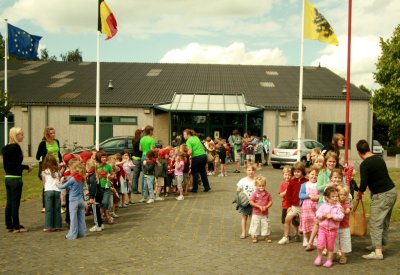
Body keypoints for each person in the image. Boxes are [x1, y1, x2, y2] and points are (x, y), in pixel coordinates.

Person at [356, 139, 398, 260]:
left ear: (359, 152)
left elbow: (364, 183)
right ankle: (379, 245)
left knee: (375, 223)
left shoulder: (365, 164)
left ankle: (377, 252)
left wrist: (359, 193)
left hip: (382, 195)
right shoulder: (379, 159)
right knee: (384, 221)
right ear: (368, 148)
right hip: (392, 192)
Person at [2, 127, 34, 233]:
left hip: (8, 178)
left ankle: (9, 224)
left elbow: (8, 165)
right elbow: (16, 165)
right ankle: (16, 226)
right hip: (15, 179)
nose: (23, 136)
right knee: (15, 203)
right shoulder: (16, 148)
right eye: (21, 134)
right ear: (15, 136)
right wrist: (27, 167)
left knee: (9, 202)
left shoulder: (5, 148)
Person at [314, 186, 344, 268]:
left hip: (332, 230)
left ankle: (329, 260)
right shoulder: (323, 206)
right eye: (333, 197)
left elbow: (341, 216)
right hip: (322, 229)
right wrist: (323, 215)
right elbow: (317, 214)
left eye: (336, 196)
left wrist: (333, 216)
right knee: (320, 244)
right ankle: (319, 257)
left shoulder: (338, 207)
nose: (335, 198)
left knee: (330, 246)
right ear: (327, 198)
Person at [278, 162, 307, 245]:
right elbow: (288, 195)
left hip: (303, 207)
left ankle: (306, 238)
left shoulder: (306, 181)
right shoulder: (292, 182)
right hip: (293, 206)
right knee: (287, 220)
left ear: (302, 172)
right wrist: (289, 206)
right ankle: (286, 237)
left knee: (305, 222)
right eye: (295, 172)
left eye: (298, 171)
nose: (296, 173)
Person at [57, 159, 87, 240]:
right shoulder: (81, 177)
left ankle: (72, 235)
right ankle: (82, 232)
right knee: (81, 218)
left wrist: (58, 183)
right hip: (80, 200)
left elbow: (62, 187)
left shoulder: (73, 178)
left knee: (73, 218)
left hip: (73, 201)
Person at [36, 126, 63, 213]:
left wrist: (62, 161)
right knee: (47, 186)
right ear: (47, 134)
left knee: (57, 185)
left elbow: (58, 153)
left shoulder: (57, 141)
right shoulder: (43, 143)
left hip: (57, 166)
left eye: (54, 133)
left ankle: (58, 206)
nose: (53, 135)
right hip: (47, 167)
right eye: (51, 133)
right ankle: (45, 206)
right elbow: (37, 156)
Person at [299, 166, 319, 247]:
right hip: (306, 207)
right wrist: (309, 196)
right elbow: (300, 195)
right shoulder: (304, 185)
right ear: (308, 175)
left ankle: (314, 238)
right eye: (312, 174)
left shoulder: (319, 185)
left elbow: (322, 194)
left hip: (316, 206)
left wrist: (318, 197)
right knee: (306, 222)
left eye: (316, 175)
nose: (314, 176)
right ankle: (305, 238)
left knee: (316, 222)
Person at [248, 175, 273, 243]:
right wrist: (258, 206)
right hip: (256, 213)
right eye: (260, 186)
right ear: (256, 185)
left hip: (265, 213)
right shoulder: (255, 193)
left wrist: (266, 206)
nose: (261, 187)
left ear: (265, 185)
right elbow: (250, 202)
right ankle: (255, 236)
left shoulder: (267, 193)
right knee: (256, 225)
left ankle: (266, 236)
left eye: (263, 185)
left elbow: (271, 201)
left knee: (265, 225)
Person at [41, 154, 62, 232]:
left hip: (48, 190)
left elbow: (44, 182)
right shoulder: (57, 170)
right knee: (57, 209)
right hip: (57, 190)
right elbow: (59, 179)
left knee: (49, 210)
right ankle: (58, 226)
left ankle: (48, 226)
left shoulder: (44, 171)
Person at [236, 164, 257, 239]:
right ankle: (243, 232)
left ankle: (252, 232)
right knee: (244, 217)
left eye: (252, 170)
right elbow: (238, 189)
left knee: (252, 218)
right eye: (249, 170)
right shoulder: (243, 180)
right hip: (245, 203)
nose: (251, 172)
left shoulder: (256, 180)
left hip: (254, 202)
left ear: (254, 171)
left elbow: (260, 188)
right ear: (246, 171)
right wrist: (240, 194)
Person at [335, 184, 352, 264]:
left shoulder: (346, 203)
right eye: (340, 195)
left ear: (347, 195)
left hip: (344, 226)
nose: (342, 196)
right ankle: (333, 254)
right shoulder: (335, 202)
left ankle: (343, 256)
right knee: (335, 241)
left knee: (345, 241)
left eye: (344, 195)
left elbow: (348, 210)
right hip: (335, 226)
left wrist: (344, 211)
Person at [131, 129, 143, 194]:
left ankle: (133, 189)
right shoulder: (139, 141)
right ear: (139, 134)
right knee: (136, 175)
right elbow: (140, 149)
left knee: (135, 175)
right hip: (138, 158)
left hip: (134, 158)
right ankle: (134, 190)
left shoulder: (133, 140)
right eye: (141, 133)